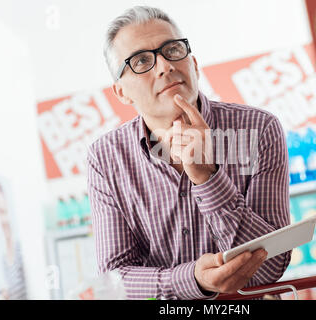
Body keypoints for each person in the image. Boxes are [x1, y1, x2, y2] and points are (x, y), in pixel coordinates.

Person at [87, 6, 291, 300]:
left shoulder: (257, 129)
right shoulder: (106, 159)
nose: (164, 67)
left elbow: (270, 266)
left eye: (172, 50)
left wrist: (207, 177)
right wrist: (192, 279)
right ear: (121, 92)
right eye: (141, 60)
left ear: (193, 64)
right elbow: (115, 280)